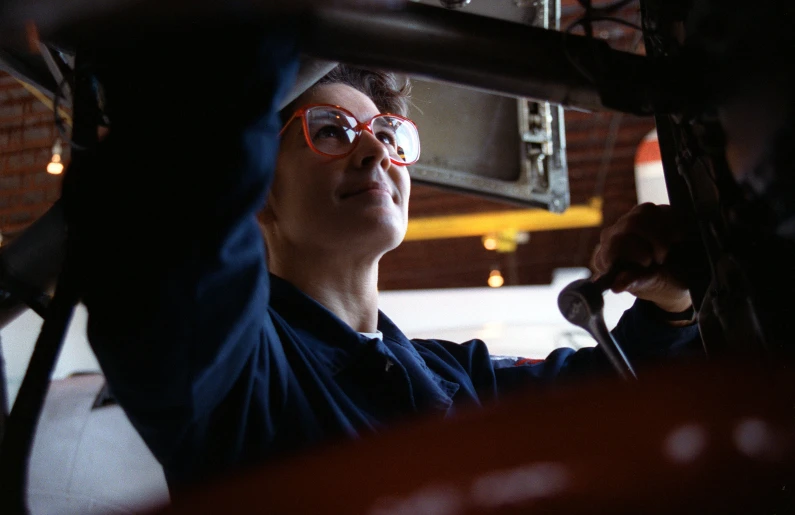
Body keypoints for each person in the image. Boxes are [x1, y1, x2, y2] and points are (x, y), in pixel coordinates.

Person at [65, 24, 701, 494]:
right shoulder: (244, 369)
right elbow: (172, 235)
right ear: (259, 185)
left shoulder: (458, 378)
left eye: (388, 136)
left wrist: (672, 305)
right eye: (332, 132)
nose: (373, 153)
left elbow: (623, 406)